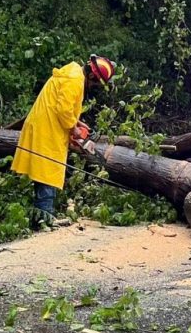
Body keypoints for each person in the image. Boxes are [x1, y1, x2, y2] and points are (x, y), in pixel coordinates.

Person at [12, 55, 116, 226]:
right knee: (47, 172)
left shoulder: (73, 73)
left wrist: (78, 123)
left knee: (45, 171)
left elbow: (62, 106)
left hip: (47, 126)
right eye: (96, 83)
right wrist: (74, 130)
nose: (94, 87)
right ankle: (44, 217)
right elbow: (63, 111)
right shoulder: (75, 81)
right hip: (47, 129)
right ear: (91, 77)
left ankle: (43, 214)